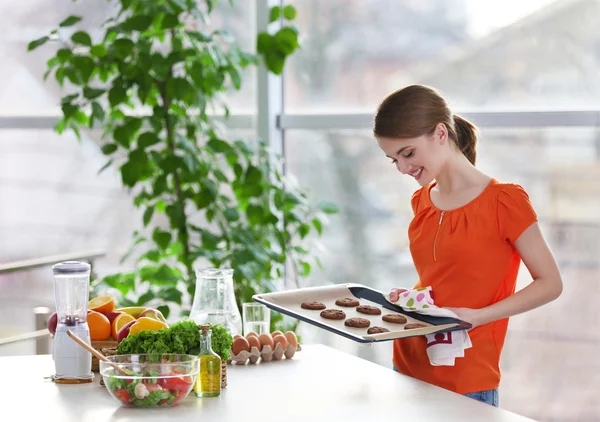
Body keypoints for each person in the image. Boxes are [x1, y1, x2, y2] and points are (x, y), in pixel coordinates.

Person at [373, 85, 563, 407]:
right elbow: (440, 281)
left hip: (467, 378)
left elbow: (551, 284)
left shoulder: (505, 202)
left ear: (440, 133)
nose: (404, 169)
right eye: (394, 160)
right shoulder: (421, 200)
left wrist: (479, 316)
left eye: (408, 153)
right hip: (407, 364)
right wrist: (409, 300)